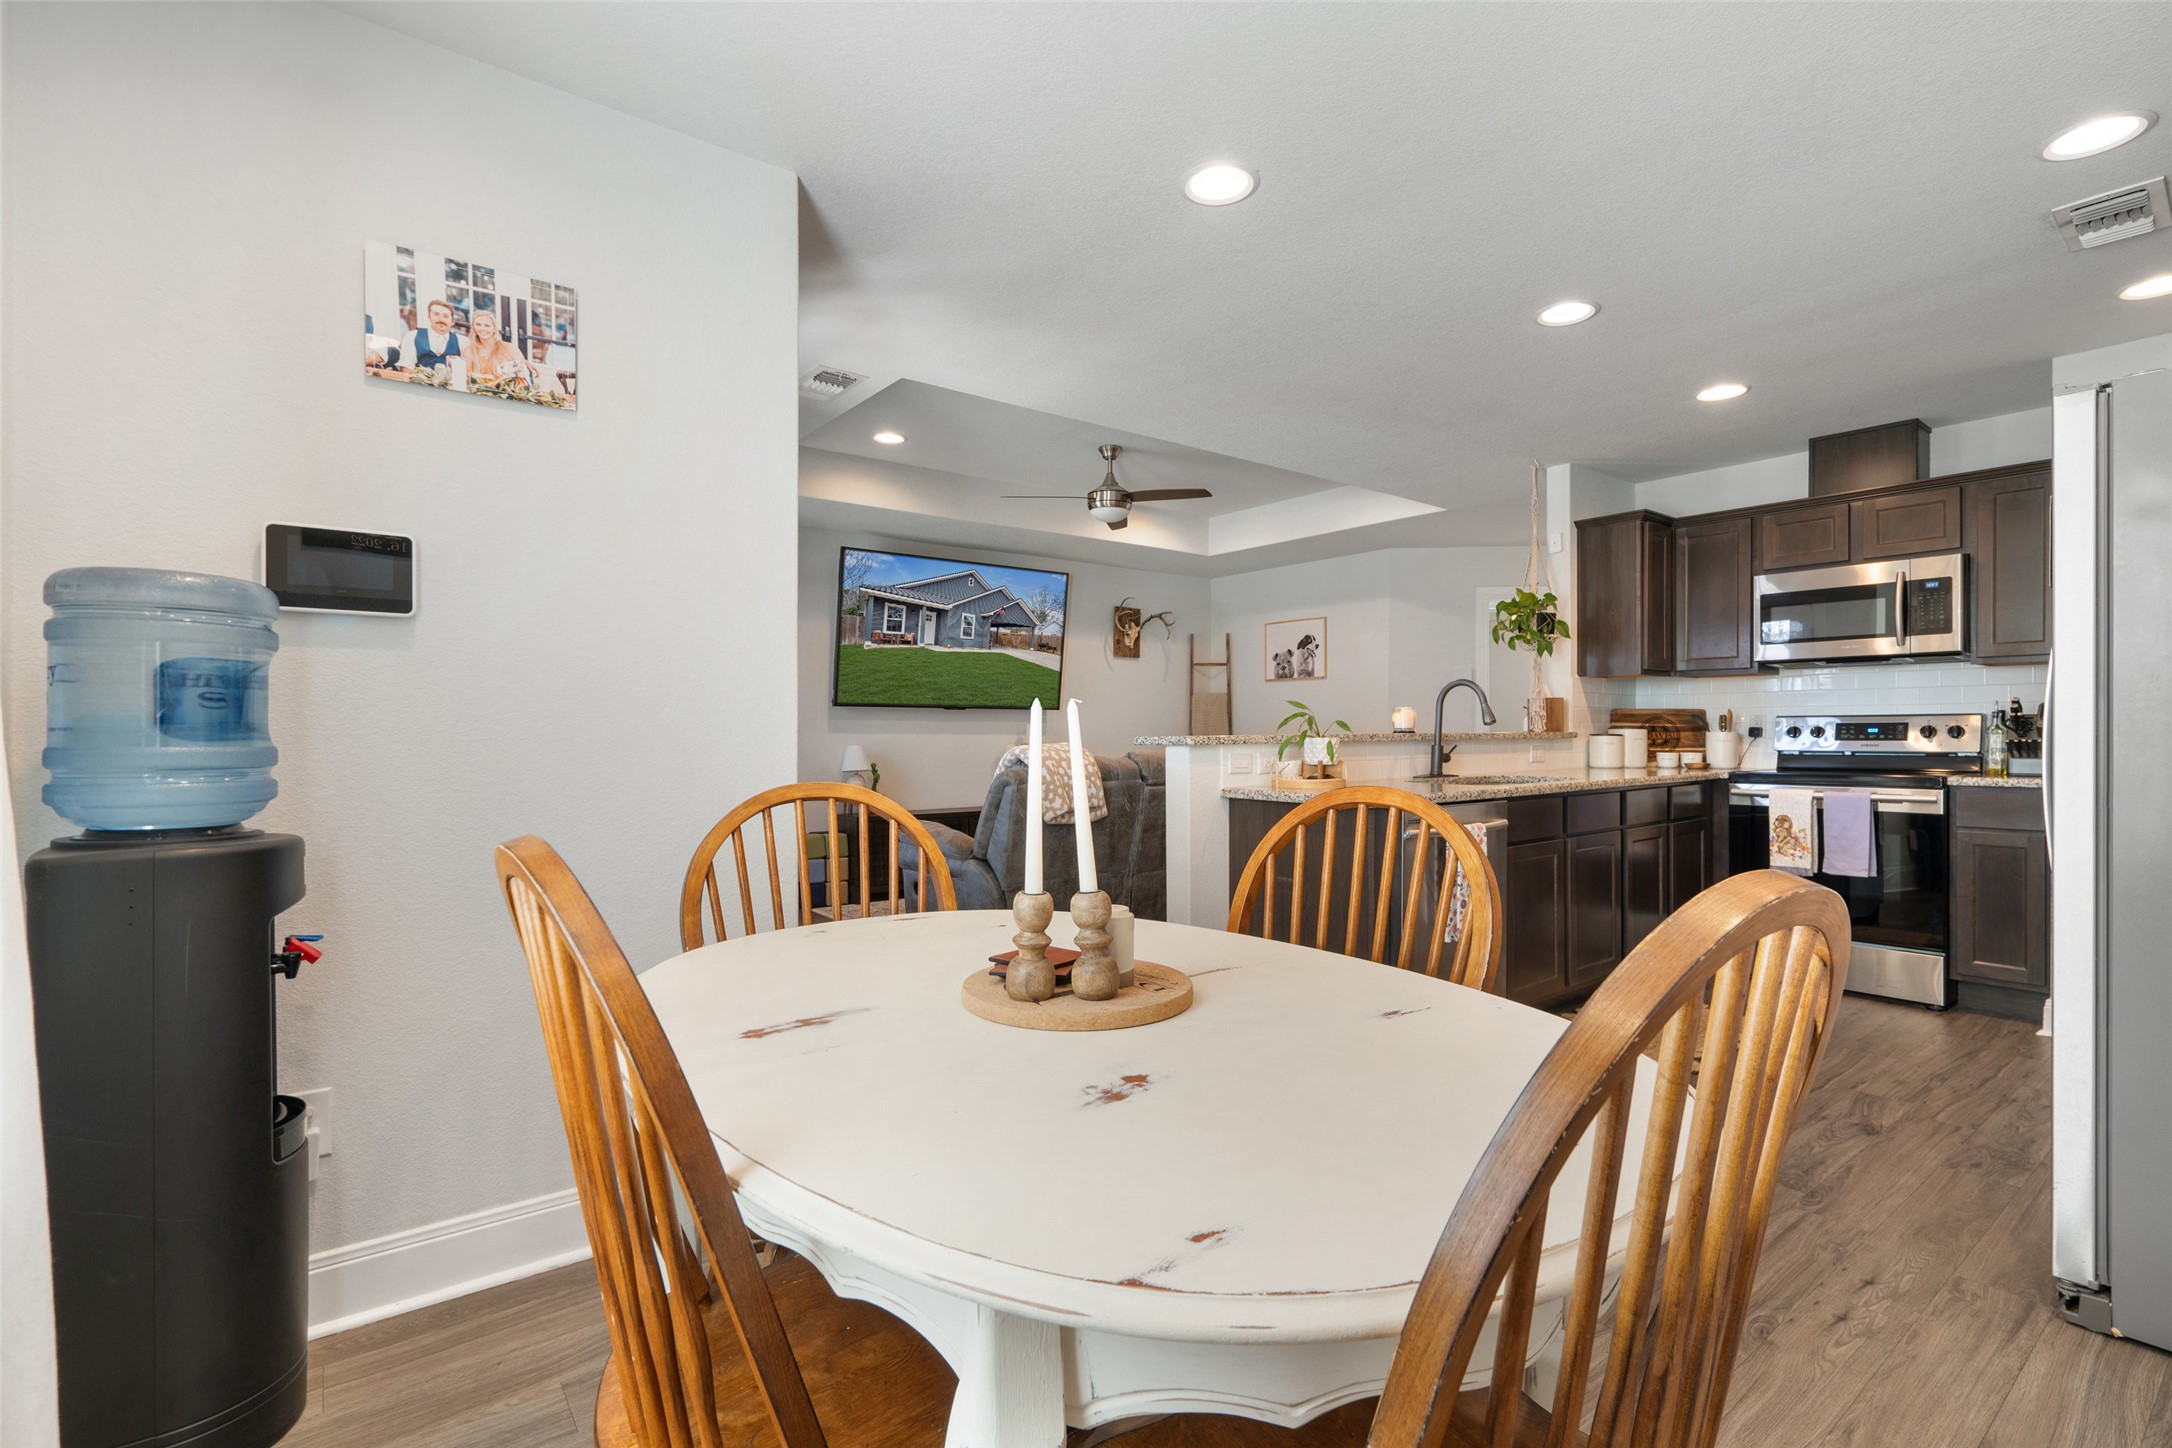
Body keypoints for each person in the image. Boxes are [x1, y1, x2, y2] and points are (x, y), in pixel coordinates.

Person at [465, 310, 531, 387]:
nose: (482, 328)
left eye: (487, 325)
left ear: (494, 328)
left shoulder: (510, 348)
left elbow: (523, 375)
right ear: (473, 327)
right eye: (478, 324)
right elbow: (466, 377)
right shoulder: (469, 351)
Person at [404, 299, 462, 373]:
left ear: (452, 322)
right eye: (436, 314)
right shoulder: (412, 336)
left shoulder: (462, 342)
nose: (441, 319)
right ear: (429, 317)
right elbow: (406, 367)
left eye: (446, 316)